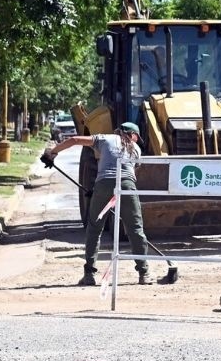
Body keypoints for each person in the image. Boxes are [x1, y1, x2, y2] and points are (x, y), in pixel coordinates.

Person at [44, 122, 153, 286]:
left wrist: (52, 152)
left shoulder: (105, 139)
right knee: (135, 229)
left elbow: (74, 139)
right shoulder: (136, 149)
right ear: (132, 135)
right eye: (137, 138)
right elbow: (128, 172)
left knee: (94, 228)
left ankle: (89, 274)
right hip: (127, 186)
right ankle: (144, 273)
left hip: (102, 185)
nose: (137, 141)